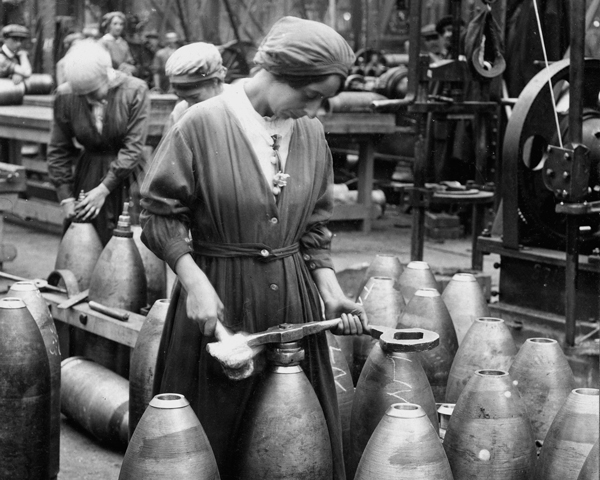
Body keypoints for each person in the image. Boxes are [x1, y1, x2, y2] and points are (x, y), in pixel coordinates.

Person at [140, 16, 367, 479]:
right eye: (312, 96)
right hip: (219, 298)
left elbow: (315, 227)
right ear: (280, 74)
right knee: (211, 439)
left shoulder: (311, 135)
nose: (317, 110)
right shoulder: (200, 124)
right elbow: (160, 216)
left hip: (293, 306)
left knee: (294, 446)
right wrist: (195, 283)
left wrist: (330, 289)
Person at [47, 40, 150, 245]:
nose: (88, 101)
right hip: (89, 174)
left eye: (93, 93)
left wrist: (103, 190)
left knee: (129, 249)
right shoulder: (65, 95)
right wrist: (66, 197)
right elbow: (58, 149)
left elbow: (133, 147)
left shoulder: (134, 90)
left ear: (107, 75)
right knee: (85, 246)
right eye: (81, 96)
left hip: (128, 178)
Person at [162, 42, 227, 132]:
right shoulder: (180, 110)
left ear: (215, 82)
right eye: (182, 98)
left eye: (195, 97)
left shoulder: (238, 106)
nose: (190, 105)